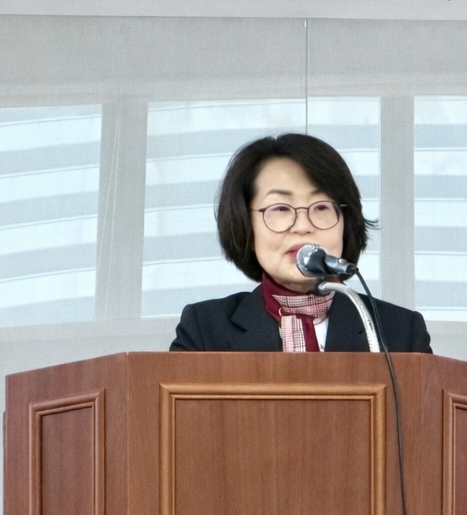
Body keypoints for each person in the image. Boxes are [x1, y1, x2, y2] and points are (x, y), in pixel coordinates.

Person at [170, 133, 432, 353]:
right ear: (247, 228)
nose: (303, 226)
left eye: (321, 207)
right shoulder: (205, 331)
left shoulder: (400, 332)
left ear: (346, 224)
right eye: (281, 208)